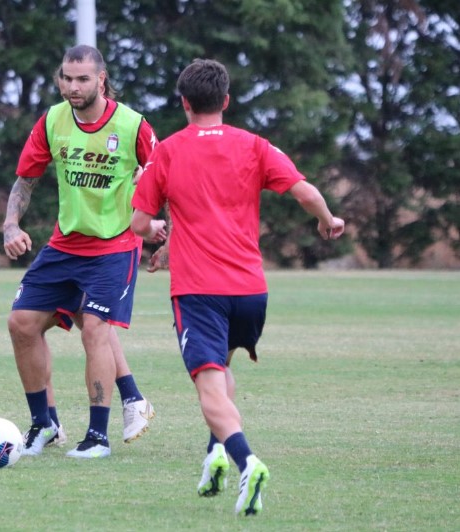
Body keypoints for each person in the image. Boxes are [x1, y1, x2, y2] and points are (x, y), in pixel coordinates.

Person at [131, 58, 345, 515]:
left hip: (198, 291)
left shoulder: (166, 152)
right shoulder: (254, 145)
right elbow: (305, 192)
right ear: (226, 100)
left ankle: (247, 462)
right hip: (250, 291)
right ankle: (215, 455)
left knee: (209, 386)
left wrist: (158, 234)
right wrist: (328, 220)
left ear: (185, 103)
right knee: (222, 369)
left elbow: (138, 223)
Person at [3, 45, 164, 459]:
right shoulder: (52, 120)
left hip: (114, 246)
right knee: (21, 323)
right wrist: (11, 224)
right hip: (65, 245)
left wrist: (164, 232)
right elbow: (25, 180)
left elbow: (169, 179)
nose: (72, 87)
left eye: (82, 79)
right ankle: (44, 423)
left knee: (94, 327)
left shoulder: (132, 125)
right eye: (67, 78)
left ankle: (97, 437)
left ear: (101, 80)